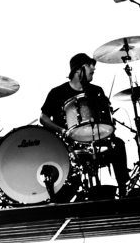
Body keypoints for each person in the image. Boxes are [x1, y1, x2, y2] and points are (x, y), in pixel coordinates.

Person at [40, 52, 128, 198]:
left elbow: (105, 118)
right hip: (68, 144)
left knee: (118, 144)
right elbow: (43, 118)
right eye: (89, 66)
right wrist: (62, 131)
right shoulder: (57, 92)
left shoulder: (96, 91)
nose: (93, 69)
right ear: (78, 70)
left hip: (96, 140)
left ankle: (123, 191)